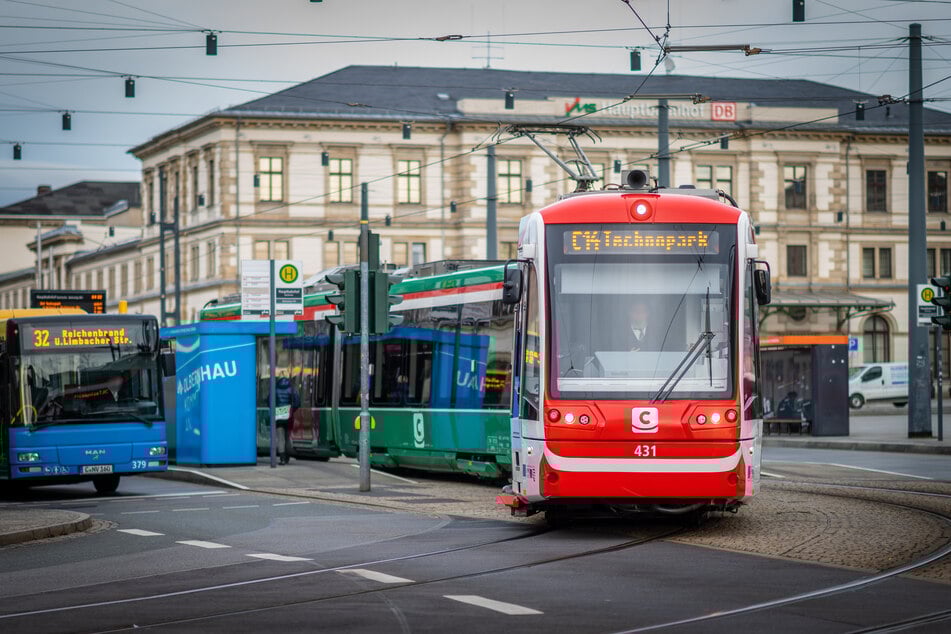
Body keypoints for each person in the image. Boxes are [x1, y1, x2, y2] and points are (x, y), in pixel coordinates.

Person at [274, 375, 300, 465]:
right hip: (289, 417)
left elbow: (269, 401)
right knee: (287, 437)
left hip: (278, 416)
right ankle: (287, 456)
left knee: (280, 438)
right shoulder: (292, 389)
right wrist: (291, 410)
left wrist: (276, 409)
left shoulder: (275, 389)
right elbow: (297, 402)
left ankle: (282, 459)